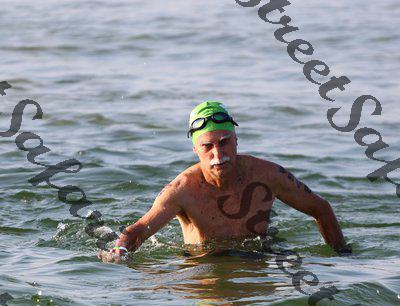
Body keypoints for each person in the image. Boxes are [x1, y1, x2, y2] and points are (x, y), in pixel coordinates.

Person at [98, 101, 350, 263]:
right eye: (207, 146)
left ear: (236, 140)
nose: (218, 154)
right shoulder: (182, 190)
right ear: (195, 150)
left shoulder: (268, 175)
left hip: (259, 257)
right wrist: (120, 252)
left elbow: (321, 209)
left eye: (224, 142)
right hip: (204, 262)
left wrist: (343, 256)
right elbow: (137, 231)